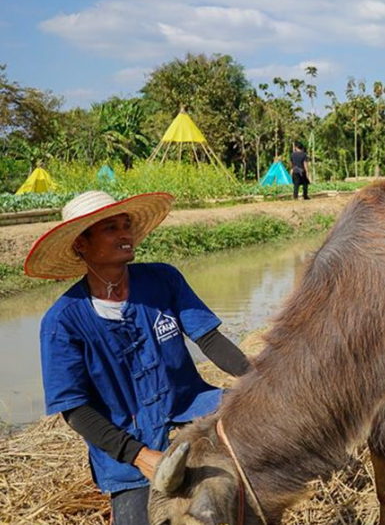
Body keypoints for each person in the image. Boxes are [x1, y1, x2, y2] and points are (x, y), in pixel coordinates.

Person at [24, 190, 251, 525]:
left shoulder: (163, 279)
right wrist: (140, 457)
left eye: (126, 225)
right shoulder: (62, 322)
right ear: (81, 245)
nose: (124, 234)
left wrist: (259, 379)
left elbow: (209, 339)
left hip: (196, 411)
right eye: (110, 228)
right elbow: (74, 409)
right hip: (130, 450)